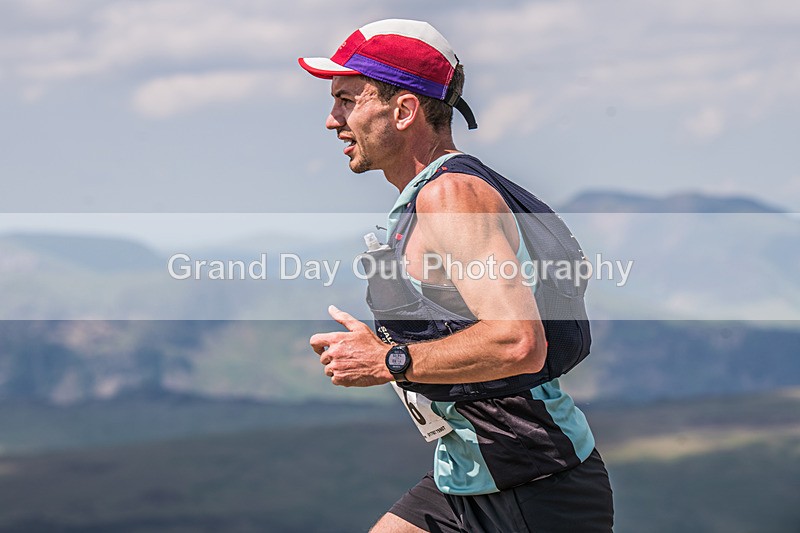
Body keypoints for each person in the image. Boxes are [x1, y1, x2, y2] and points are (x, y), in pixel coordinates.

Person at [301, 19, 613, 532]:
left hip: (531, 488)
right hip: (468, 478)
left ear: (403, 110)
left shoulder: (451, 197)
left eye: (348, 100)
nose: (332, 120)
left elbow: (518, 343)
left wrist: (390, 360)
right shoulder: (429, 197)